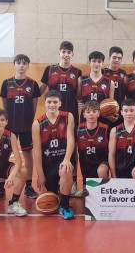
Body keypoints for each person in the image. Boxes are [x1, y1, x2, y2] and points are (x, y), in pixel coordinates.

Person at [40, 41, 82, 196]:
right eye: (63, 51)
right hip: (52, 117)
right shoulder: (49, 70)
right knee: (50, 148)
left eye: (69, 52)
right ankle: (50, 179)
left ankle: (73, 182)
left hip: (70, 116)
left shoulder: (77, 72)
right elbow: (40, 91)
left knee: (73, 150)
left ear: (72, 54)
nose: (66, 54)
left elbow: (78, 95)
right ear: (59, 53)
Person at [0, 54, 41, 199]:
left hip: (26, 126)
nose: (21, 65)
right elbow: (5, 106)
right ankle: (0, 186)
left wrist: (29, 122)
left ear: (28, 66)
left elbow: (34, 107)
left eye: (24, 63)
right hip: (10, 125)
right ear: (14, 65)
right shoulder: (6, 83)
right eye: (19, 63)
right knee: (4, 154)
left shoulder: (33, 84)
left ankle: (28, 186)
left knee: (28, 155)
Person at [32, 90, 76, 219]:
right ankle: (59, 195)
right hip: (48, 163)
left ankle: (65, 206)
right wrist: (40, 175)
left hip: (63, 159)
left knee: (66, 170)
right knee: (50, 198)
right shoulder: (37, 123)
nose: (52, 105)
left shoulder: (68, 116)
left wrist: (67, 159)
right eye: (49, 102)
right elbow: (37, 150)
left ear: (60, 103)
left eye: (55, 102)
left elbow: (71, 139)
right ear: (44, 104)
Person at [109, 99, 135, 179]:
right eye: (126, 111)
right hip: (120, 168)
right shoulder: (115, 130)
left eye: (131, 110)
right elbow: (111, 154)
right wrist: (113, 175)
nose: (128, 113)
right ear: (121, 112)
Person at [76, 101, 110, 195]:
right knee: (89, 193)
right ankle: (85, 187)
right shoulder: (78, 129)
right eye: (88, 112)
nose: (91, 114)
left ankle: (105, 191)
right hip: (86, 163)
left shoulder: (106, 129)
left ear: (98, 114)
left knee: (101, 170)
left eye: (94, 112)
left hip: (102, 162)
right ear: (84, 115)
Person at [78, 51, 116, 126]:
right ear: (89, 62)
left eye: (99, 61)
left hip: (103, 118)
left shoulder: (110, 82)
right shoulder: (81, 80)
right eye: (94, 61)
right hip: (86, 117)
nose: (96, 64)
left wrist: (112, 113)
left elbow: (111, 103)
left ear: (102, 63)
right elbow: (79, 99)